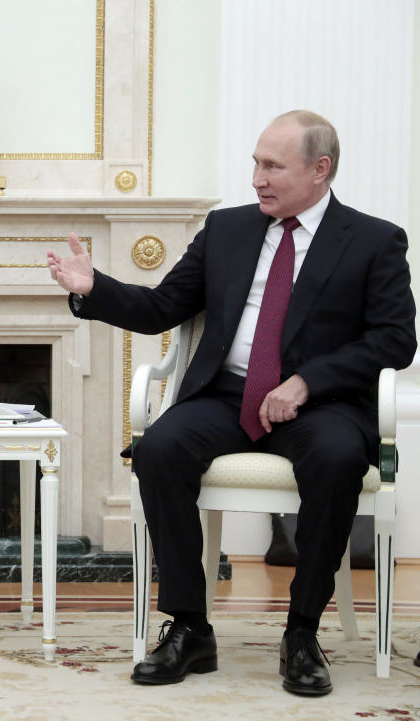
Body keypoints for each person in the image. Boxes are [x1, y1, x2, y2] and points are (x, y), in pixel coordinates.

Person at [47, 110, 416, 696]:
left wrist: (307, 382)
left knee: (339, 459)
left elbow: (396, 338)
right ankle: (190, 627)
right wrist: (95, 289)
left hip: (321, 405)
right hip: (226, 394)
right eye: (255, 163)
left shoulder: (374, 240)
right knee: (160, 448)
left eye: (273, 166)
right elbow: (165, 306)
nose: (257, 178)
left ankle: (300, 633)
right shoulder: (227, 230)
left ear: (321, 170)